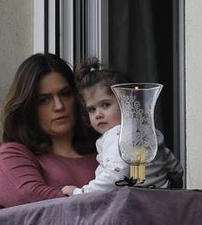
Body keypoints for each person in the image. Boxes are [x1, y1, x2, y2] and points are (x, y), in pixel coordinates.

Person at [0, 53, 99, 208]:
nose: (59, 106)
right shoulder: (12, 155)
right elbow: (33, 199)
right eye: (44, 100)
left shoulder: (104, 149)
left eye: (65, 94)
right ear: (28, 107)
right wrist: (103, 202)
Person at [65, 58, 182, 195]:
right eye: (92, 109)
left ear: (127, 103)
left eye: (105, 105)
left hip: (134, 206)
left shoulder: (117, 136)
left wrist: (80, 192)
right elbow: (174, 168)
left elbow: (115, 176)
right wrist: (175, 188)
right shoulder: (149, 132)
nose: (98, 114)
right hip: (160, 202)